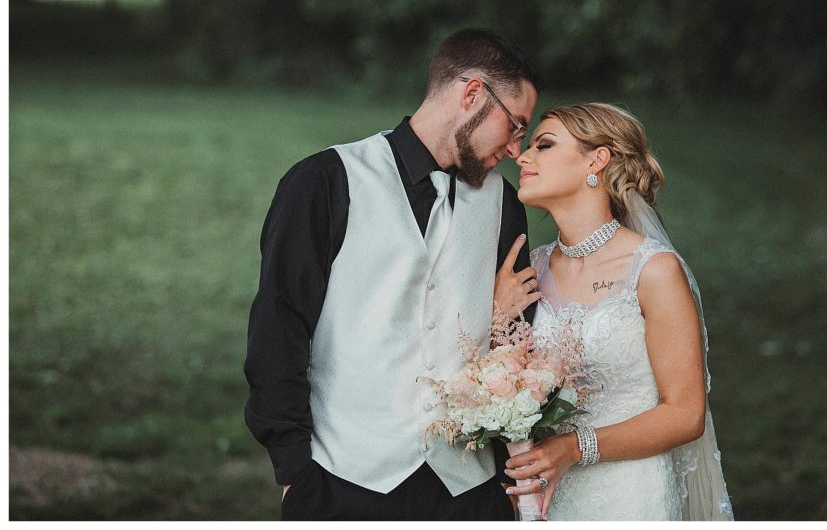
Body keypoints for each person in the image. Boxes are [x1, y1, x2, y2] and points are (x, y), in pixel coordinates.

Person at [244, 29, 543, 521]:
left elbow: (517, 341)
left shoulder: (503, 205)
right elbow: (279, 328)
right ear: (471, 95)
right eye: (514, 126)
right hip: (344, 480)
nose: (515, 149)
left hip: (468, 490)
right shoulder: (323, 182)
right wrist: (293, 466)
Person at [494, 103, 734, 521]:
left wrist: (573, 448)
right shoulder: (528, 271)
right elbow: (505, 384)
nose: (522, 156)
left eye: (543, 145)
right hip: (546, 497)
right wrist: (500, 317)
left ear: (596, 159)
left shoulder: (653, 270)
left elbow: (686, 414)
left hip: (629, 494)